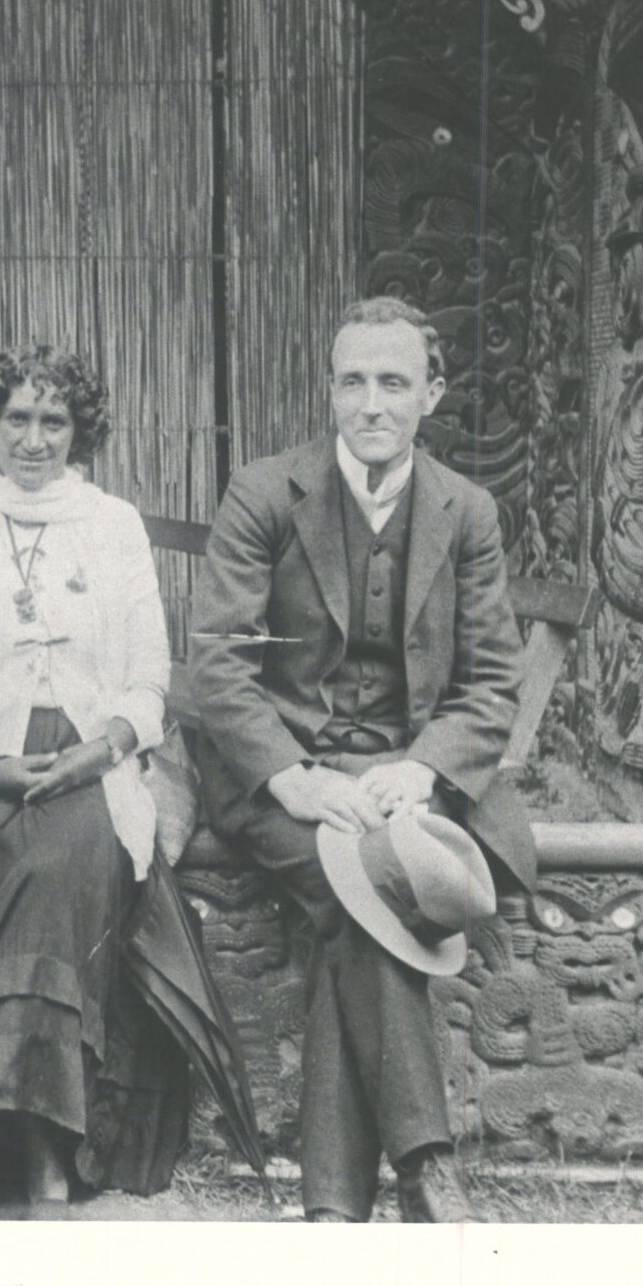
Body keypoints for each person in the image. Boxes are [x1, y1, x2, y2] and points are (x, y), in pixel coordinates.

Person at [187, 295, 530, 1224]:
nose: (370, 403)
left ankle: (335, 1207)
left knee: (357, 901)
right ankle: (425, 1162)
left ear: (432, 393)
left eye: (392, 382)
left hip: (404, 780)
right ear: (330, 390)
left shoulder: (465, 510)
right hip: (281, 775)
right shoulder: (266, 491)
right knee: (363, 890)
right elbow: (215, 660)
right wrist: (292, 777)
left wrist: (422, 767)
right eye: (352, 382)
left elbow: (492, 677)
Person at [0, 343, 189, 1205]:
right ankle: (45, 1154)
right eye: (15, 417)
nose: (32, 438)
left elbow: (147, 677)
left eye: (51, 420)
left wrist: (103, 748)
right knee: (9, 853)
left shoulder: (114, 524)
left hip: (87, 759)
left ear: (77, 429)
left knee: (58, 860)